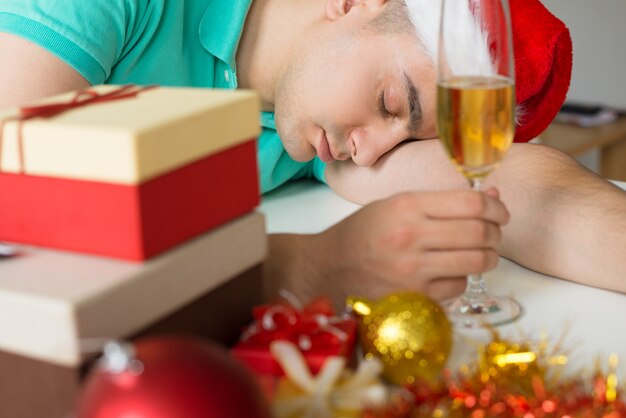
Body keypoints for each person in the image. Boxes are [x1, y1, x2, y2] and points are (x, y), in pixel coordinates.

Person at [0, 0, 624, 308]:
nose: (375, 152)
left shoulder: (314, 124)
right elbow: (19, 224)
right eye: (389, 102)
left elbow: (534, 197)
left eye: (412, 138)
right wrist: (301, 268)